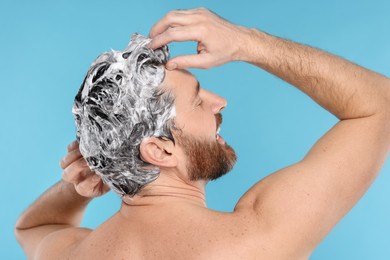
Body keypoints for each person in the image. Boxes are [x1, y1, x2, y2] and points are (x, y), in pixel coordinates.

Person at [15, 8, 390, 260]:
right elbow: (380, 104)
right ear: (159, 151)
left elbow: (32, 227)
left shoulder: (73, 253)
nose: (220, 102)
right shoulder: (254, 240)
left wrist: (80, 182)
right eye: (197, 101)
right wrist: (248, 43)